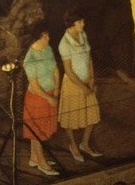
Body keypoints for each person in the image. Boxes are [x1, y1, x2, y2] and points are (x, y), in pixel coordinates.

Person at [58, 9, 102, 162]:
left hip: (86, 82)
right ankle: (73, 146)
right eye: (80, 22)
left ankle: (84, 144)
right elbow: (68, 71)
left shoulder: (82, 35)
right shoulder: (64, 43)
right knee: (71, 118)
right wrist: (83, 88)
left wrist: (91, 79)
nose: (83, 24)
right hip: (73, 85)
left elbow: (89, 59)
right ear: (72, 24)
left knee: (92, 116)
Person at [22, 19, 60, 176]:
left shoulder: (48, 49)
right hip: (37, 99)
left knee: (43, 130)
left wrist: (57, 88)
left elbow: (56, 69)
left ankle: (34, 158)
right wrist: (49, 98)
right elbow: (35, 86)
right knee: (37, 133)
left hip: (51, 94)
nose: (49, 39)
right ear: (40, 36)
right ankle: (42, 164)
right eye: (47, 36)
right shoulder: (29, 60)